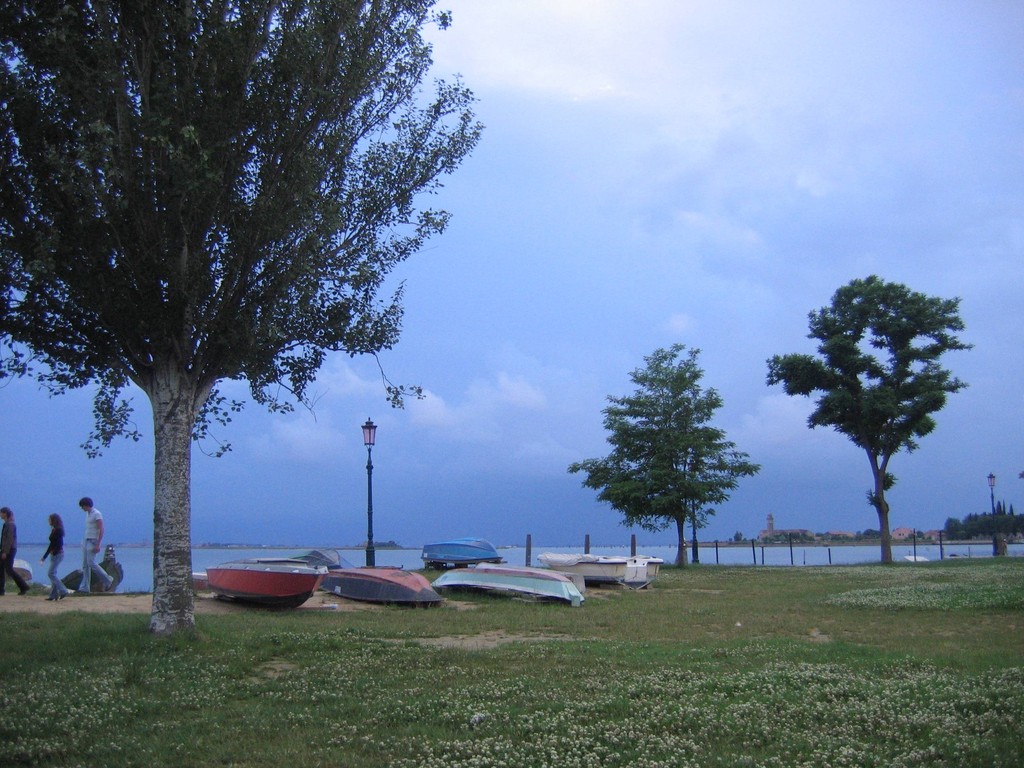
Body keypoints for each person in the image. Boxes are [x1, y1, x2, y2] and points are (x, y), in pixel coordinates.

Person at [78, 497, 113, 594]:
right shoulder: (88, 514)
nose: (82, 508)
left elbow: (101, 529)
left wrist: (98, 544)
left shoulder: (97, 514)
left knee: (91, 562)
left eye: (82, 506)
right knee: (85, 564)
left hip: (93, 540)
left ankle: (107, 579)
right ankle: (84, 587)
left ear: (86, 505)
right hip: (86, 539)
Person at [0, 506, 31, 596]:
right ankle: (1, 590)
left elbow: (9, 539)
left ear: (5, 514)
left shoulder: (10, 525)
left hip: (10, 550)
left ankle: (24, 586)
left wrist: (5, 552)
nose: (0, 515)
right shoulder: (7, 524)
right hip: (6, 549)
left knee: (9, 569)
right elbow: (4, 539)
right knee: (1, 569)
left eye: (1, 513)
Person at [41, 513, 70, 601]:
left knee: (51, 573)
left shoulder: (58, 530)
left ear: (54, 520)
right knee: (53, 573)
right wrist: (44, 557)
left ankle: (63, 590)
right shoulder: (54, 529)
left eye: (49, 519)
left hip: (58, 554)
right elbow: (51, 544)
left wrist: (55, 552)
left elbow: (59, 543)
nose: (48, 521)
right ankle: (53, 595)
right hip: (54, 554)